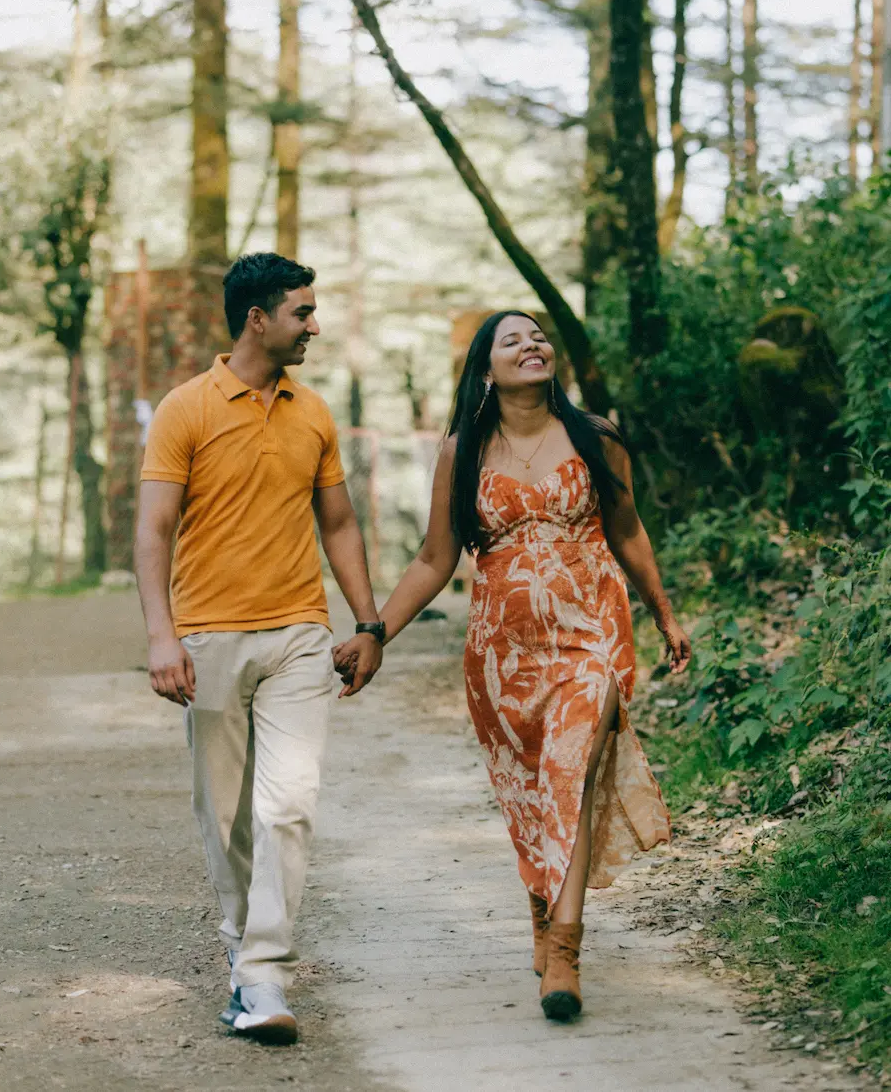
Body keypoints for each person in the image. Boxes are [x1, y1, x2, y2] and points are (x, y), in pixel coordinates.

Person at [332, 310, 691, 1022]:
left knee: (571, 769)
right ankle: (540, 906)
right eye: (512, 340)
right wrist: (376, 632)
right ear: (486, 369)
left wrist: (663, 611)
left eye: (539, 336)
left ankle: (565, 948)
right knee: (531, 791)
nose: (533, 345)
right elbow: (437, 558)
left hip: (591, 637)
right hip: (502, 655)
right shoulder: (463, 450)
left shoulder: (597, 437)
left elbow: (626, 528)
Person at [134, 253, 385, 1044]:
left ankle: (266, 977)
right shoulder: (185, 409)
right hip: (207, 639)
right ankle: (243, 958)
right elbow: (153, 531)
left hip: (299, 639)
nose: (314, 325)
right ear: (258, 318)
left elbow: (338, 524)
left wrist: (368, 623)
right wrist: (162, 637)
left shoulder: (313, 413)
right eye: (302, 312)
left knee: (288, 807)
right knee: (227, 819)